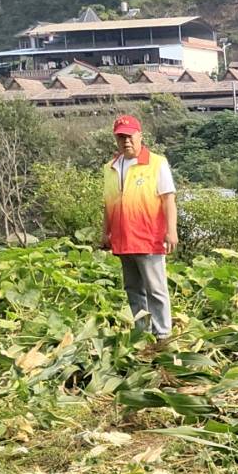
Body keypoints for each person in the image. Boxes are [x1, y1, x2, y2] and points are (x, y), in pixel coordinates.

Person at [100, 114, 178, 339]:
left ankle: (162, 335)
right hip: (123, 239)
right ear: (116, 139)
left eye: (129, 136)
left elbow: (168, 199)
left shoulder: (156, 163)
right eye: (121, 137)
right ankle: (142, 333)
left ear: (139, 136)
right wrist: (105, 233)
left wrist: (171, 231)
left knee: (155, 289)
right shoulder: (110, 167)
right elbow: (108, 203)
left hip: (148, 237)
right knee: (133, 289)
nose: (126, 141)